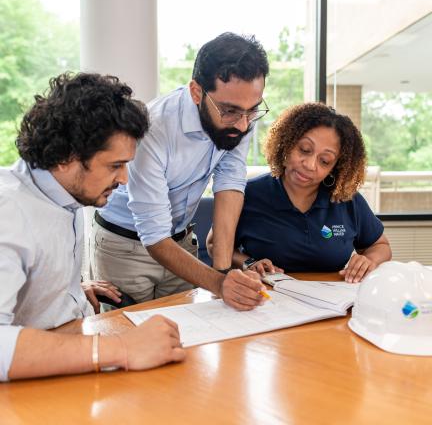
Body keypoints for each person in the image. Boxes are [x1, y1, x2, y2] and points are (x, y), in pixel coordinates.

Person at [0, 73, 185, 382]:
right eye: (115, 166)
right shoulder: (8, 212)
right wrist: (123, 347)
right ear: (64, 158)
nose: (124, 179)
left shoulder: (64, 191)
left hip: (72, 351)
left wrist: (61, 294)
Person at [91, 32, 270, 310]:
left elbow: (230, 181)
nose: (244, 125)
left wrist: (224, 273)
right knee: (131, 342)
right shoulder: (152, 128)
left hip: (182, 242)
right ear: (197, 92)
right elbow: (153, 233)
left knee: (188, 336)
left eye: (252, 110)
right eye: (230, 111)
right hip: (125, 246)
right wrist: (220, 283)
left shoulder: (241, 116)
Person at [207, 103, 392, 283]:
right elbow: (213, 244)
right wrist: (249, 263)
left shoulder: (347, 199)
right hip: (264, 301)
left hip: (332, 305)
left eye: (325, 161)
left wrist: (369, 260)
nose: (310, 165)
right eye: (304, 150)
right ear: (286, 143)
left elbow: (380, 246)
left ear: (336, 167)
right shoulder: (248, 194)